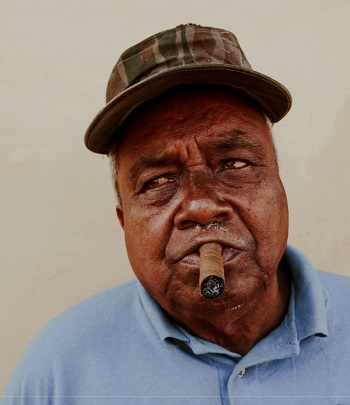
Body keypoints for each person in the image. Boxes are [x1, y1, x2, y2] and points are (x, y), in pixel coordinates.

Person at [2, 24, 350, 405]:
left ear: (279, 189)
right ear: (124, 221)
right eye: (157, 181)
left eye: (234, 163)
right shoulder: (58, 372)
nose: (201, 206)